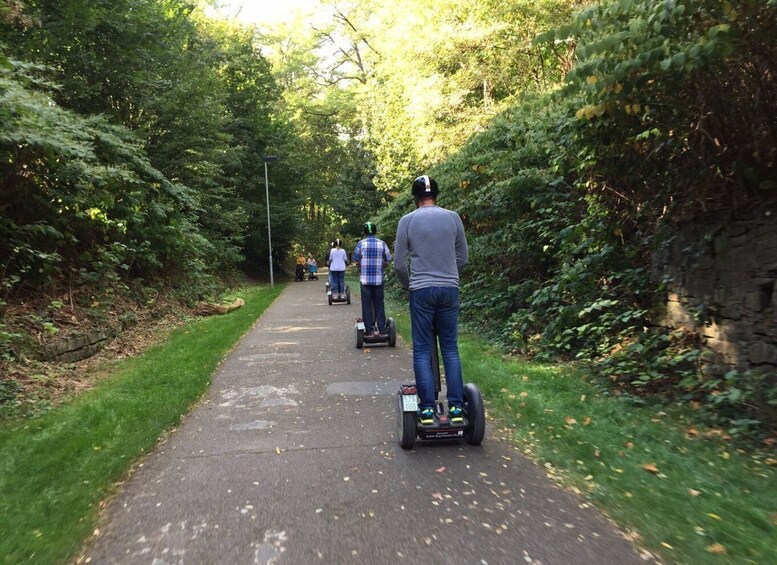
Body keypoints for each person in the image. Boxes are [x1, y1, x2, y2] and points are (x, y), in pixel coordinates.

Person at [394, 175, 468, 425]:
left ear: (415, 198)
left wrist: (409, 285)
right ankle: (457, 408)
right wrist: (449, 276)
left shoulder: (407, 221)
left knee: (423, 349)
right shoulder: (453, 218)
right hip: (449, 289)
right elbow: (463, 258)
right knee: (450, 348)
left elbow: (399, 265)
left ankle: (426, 409)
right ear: (436, 195)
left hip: (422, 290)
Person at [352, 222, 392, 336]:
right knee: (379, 304)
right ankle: (382, 330)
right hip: (378, 280)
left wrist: (361, 268)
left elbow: (356, 260)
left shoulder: (361, 244)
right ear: (375, 231)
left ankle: (369, 331)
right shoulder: (382, 244)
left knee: (366, 305)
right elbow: (388, 260)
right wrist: (381, 267)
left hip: (365, 280)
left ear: (365, 232)